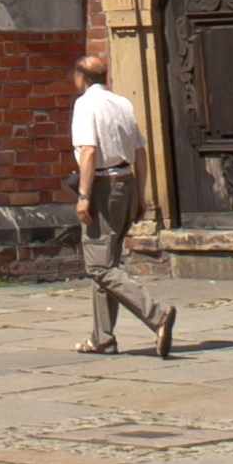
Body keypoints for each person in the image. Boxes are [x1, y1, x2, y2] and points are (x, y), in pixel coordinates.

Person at [71, 48, 173, 358]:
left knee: (99, 266)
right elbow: (141, 151)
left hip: (103, 186)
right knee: (109, 262)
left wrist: (84, 196)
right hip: (127, 182)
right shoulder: (122, 103)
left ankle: (156, 314)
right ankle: (103, 338)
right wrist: (140, 194)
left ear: (81, 78)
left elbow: (88, 151)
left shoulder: (85, 104)